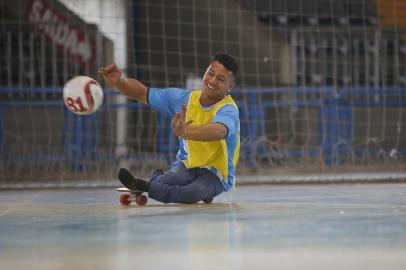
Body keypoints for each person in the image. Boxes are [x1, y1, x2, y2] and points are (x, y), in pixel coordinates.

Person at [99, 52, 240, 204]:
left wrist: (186, 131)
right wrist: (120, 82)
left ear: (230, 86)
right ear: (205, 71)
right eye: (210, 73)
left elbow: (219, 131)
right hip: (187, 163)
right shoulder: (183, 99)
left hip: (216, 173)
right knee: (172, 180)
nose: (212, 80)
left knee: (192, 193)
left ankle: (144, 185)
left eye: (220, 79)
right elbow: (142, 92)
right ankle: (157, 182)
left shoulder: (228, 109)